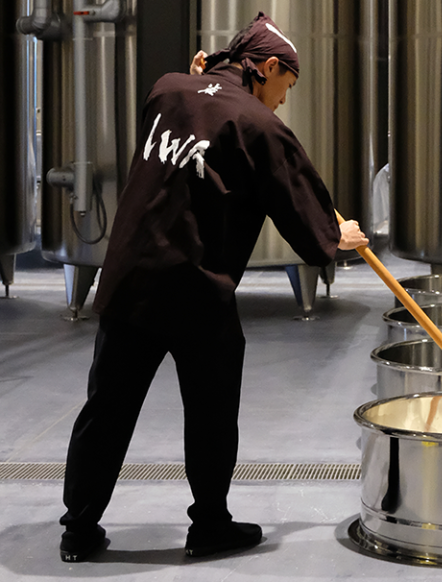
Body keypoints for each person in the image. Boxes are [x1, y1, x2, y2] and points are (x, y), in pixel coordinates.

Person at [58, 12, 368, 562]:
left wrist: (200, 74)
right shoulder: (260, 126)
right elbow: (300, 206)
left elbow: (197, 99)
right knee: (211, 410)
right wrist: (335, 234)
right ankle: (210, 525)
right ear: (268, 67)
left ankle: (78, 531)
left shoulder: (166, 89)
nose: (283, 100)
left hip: (130, 277)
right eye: (285, 86)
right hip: (196, 289)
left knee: (106, 408)